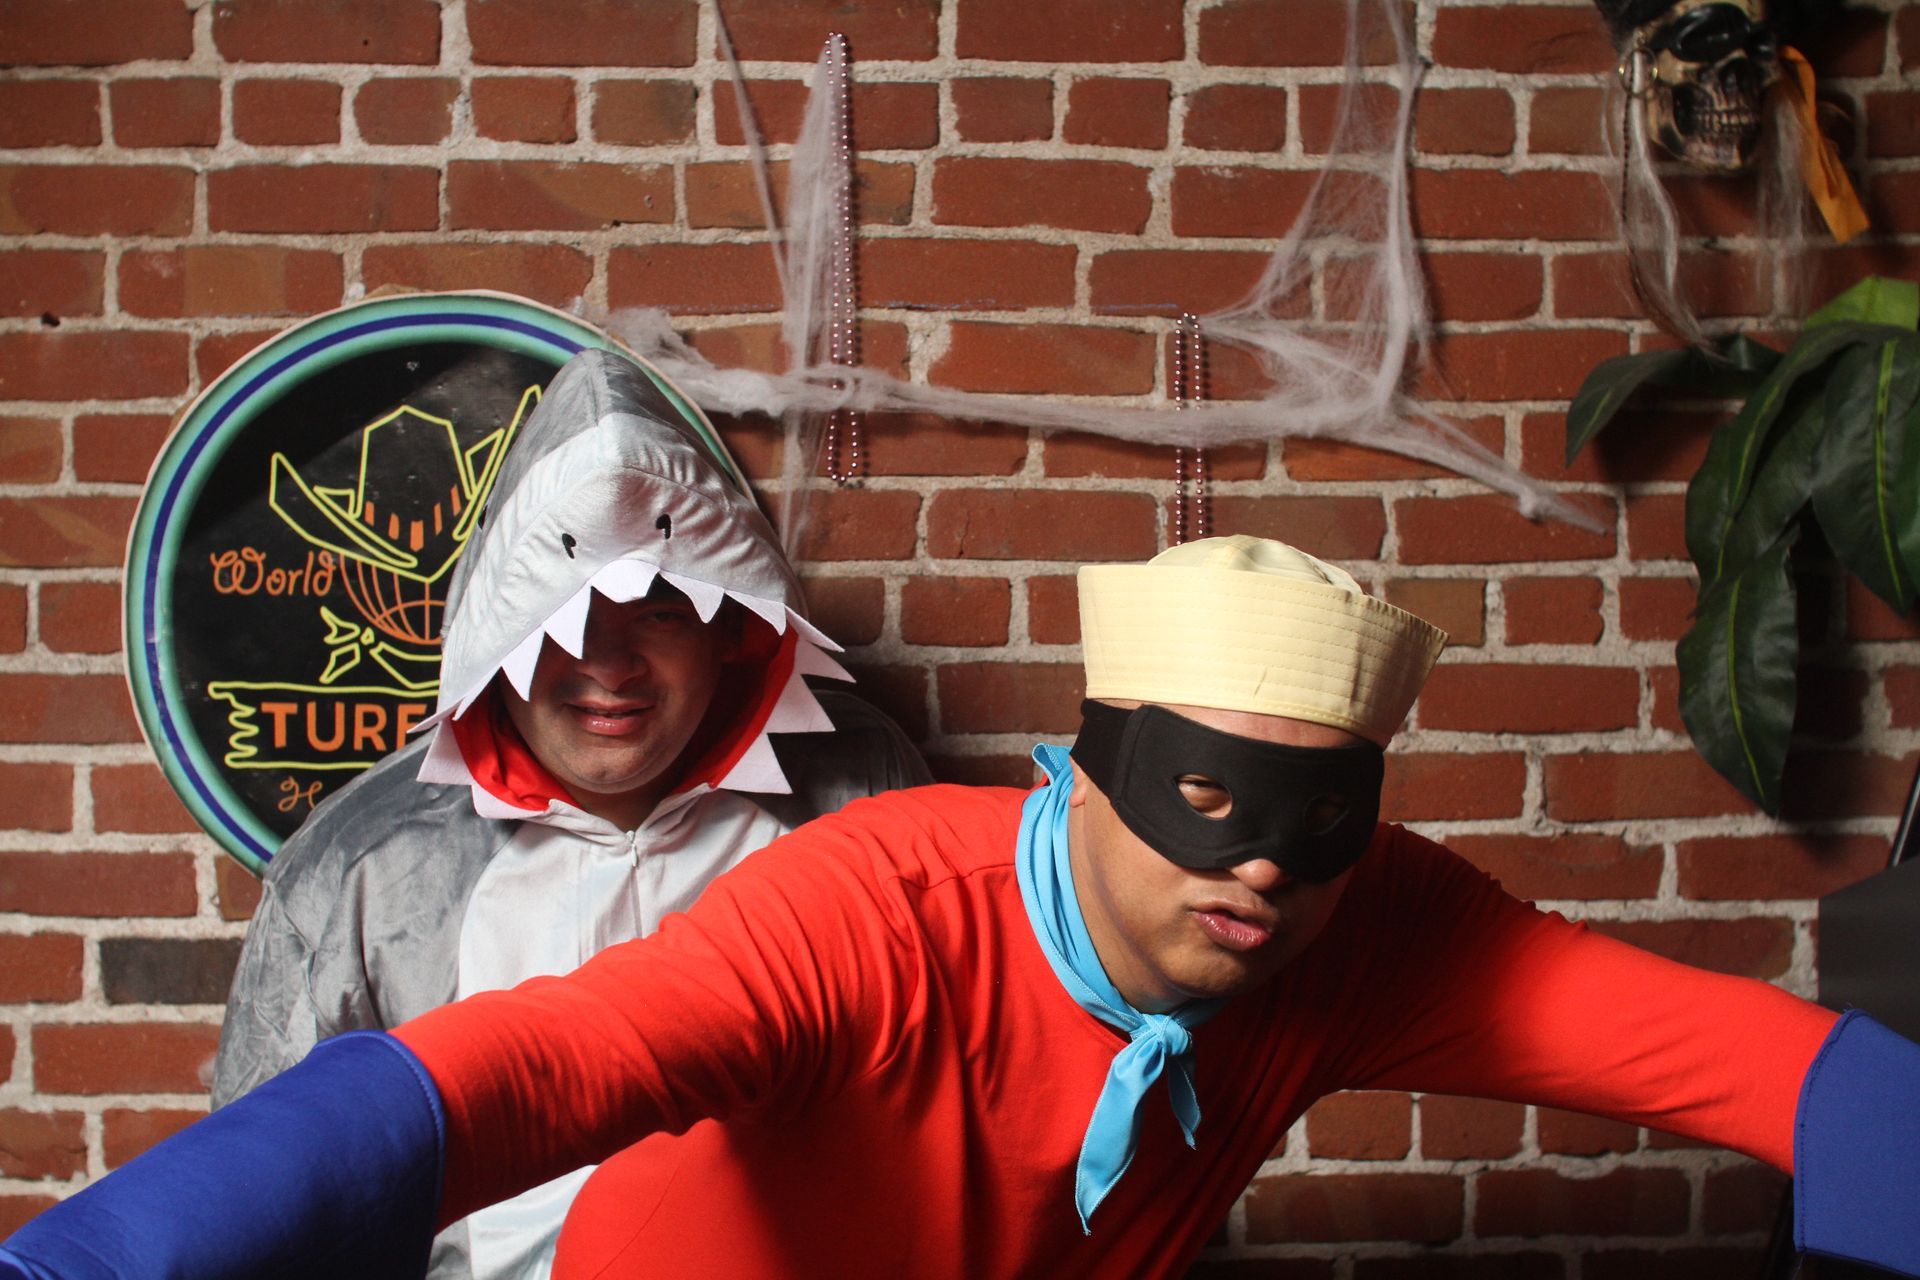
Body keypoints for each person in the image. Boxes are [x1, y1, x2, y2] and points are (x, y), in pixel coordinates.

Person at [6, 537, 1918, 1280]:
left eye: (1319, 815)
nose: (1260, 863)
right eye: (1205, 799)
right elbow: (528, 1068)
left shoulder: (1361, 922)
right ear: (1084, 778)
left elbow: (1816, 1081)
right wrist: (92, 1266)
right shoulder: (880, 903)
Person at [209, 345, 929, 1280]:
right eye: (560, 618)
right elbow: (268, 1199)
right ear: (499, 637)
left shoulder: (860, 791)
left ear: (729, 628)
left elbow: (942, 1098)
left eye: (660, 611)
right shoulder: (361, 865)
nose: (607, 665)